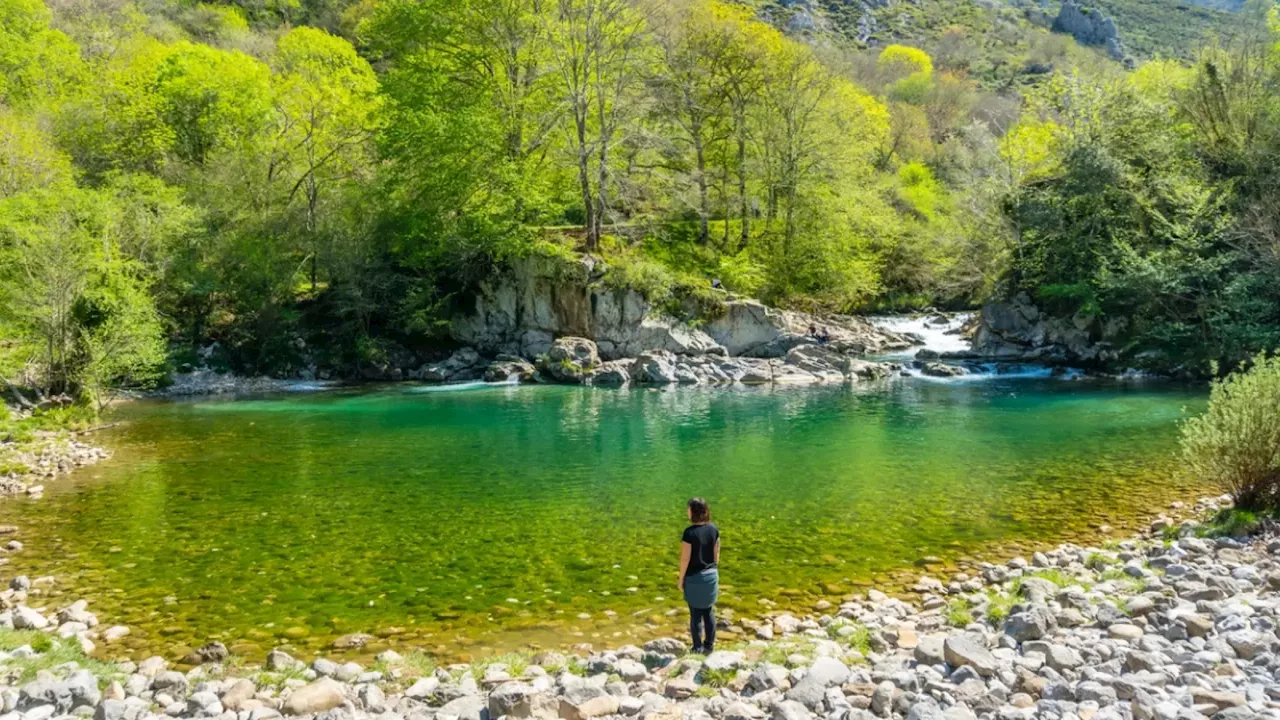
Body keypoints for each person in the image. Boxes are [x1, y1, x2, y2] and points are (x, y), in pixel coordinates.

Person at [678, 497, 720, 654]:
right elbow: (716, 556)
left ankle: (697, 648)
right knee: (708, 611)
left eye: (688, 509)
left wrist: (681, 579)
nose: (686, 511)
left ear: (693, 512)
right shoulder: (714, 529)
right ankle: (709, 646)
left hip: (694, 578)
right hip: (711, 575)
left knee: (695, 614)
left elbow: (685, 559)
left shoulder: (689, 533)